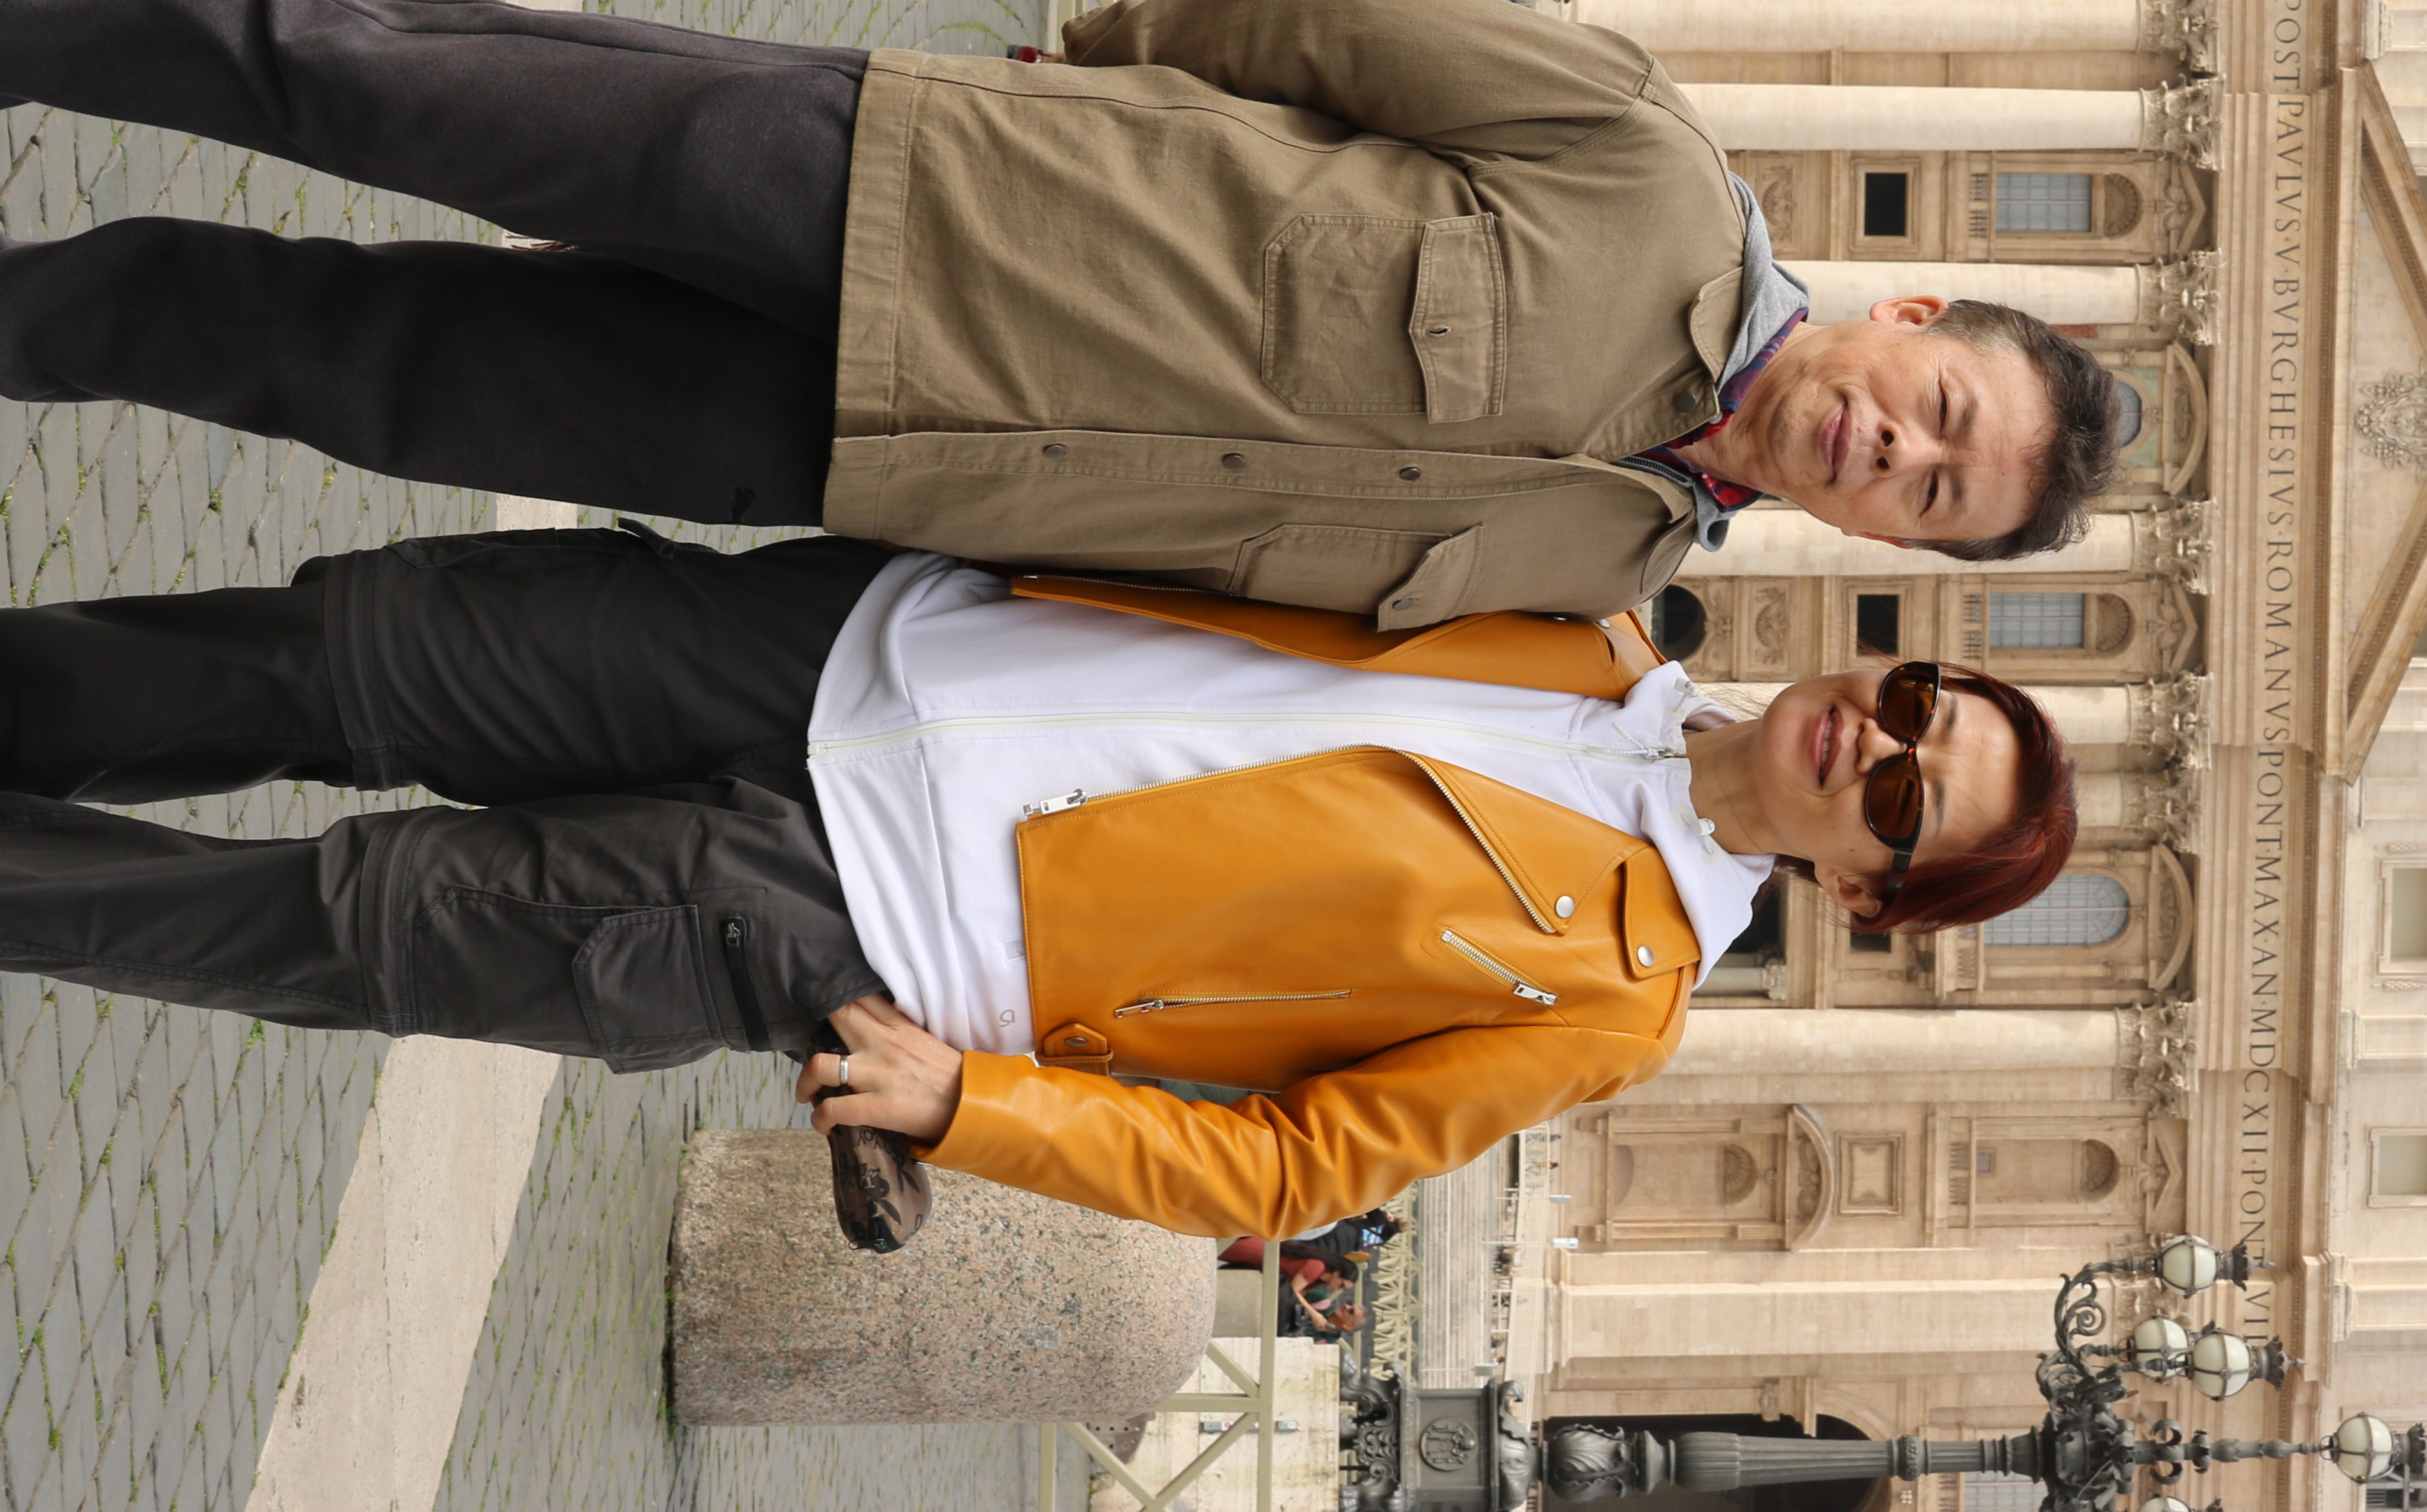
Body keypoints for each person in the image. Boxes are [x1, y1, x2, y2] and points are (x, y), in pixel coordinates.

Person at [0, 522, 2079, 1244]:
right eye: (1913, 704)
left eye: (1908, 805)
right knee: (317, 655)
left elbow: (1292, 1171)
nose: (1875, 747)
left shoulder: (1611, 997)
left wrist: (969, 1106)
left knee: (320, 923)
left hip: (847, 912)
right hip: (832, 647)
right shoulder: (1583, 608)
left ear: (1877, 898)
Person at [0, 0, 2134, 616]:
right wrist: (1075, 85)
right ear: (1915, 322)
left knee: (347, 372)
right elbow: (1321, 16)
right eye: (1935, 412)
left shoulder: (1583, 581)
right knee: (368, 82)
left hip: (866, 452)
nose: (1890, 448)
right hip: (908, 194)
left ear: (1881, 538)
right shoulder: (1650, 174)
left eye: (1928, 494)